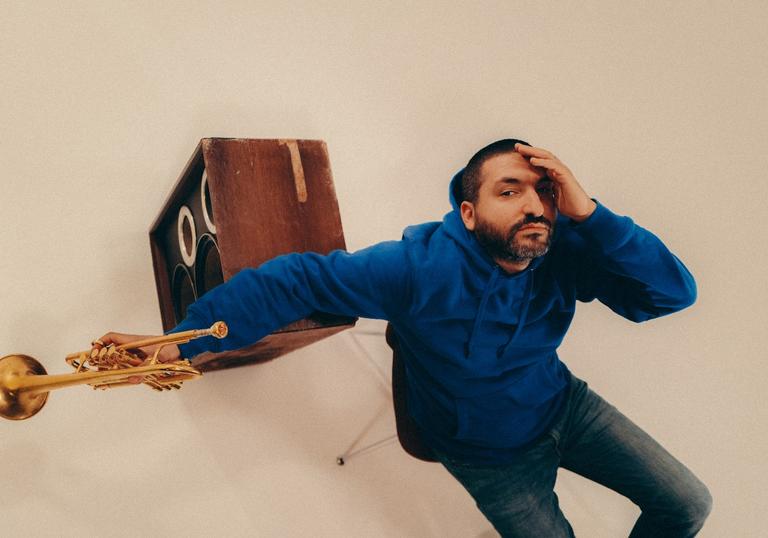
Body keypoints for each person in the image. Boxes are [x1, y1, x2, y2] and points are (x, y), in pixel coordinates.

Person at [95, 139, 713, 537]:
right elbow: (295, 282)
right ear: (468, 215)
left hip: (566, 407)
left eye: (543, 192)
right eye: (508, 191)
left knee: (687, 504)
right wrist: (184, 341)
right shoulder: (418, 269)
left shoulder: (567, 248)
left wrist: (592, 216)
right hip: (487, 454)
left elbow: (670, 295)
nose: (533, 206)